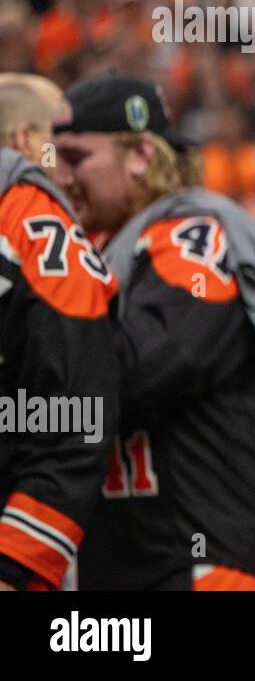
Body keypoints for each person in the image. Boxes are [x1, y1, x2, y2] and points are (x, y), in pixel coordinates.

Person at [52, 73, 255, 590]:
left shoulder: (194, 235)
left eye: (76, 159)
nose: (62, 178)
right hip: (126, 567)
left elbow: (143, 369)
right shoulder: (101, 249)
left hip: (205, 564)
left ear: (141, 154)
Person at [0, 76, 119, 591]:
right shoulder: (29, 207)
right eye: (61, 152)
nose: (68, 177)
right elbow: (77, 417)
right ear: (27, 142)